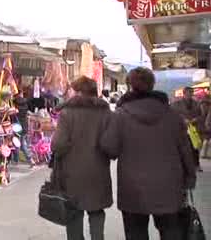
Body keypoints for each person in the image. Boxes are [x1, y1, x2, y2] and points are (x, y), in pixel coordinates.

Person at [101, 67, 196, 240]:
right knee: (170, 232)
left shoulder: (120, 116)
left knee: (136, 233)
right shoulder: (172, 115)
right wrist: (190, 177)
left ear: (130, 86)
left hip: (133, 188)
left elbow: (110, 149)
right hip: (169, 185)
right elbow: (186, 150)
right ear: (152, 85)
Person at [51, 76, 112, 240]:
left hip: (72, 172)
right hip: (98, 171)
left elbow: (58, 145)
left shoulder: (67, 113)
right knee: (97, 211)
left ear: (78, 92)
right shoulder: (105, 113)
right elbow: (111, 145)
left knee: (74, 212)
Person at [171, 87, 202, 172]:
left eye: (191, 93)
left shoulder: (196, 104)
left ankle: (197, 165)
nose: (190, 95)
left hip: (193, 129)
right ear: (184, 94)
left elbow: (201, 115)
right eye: (188, 93)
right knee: (183, 147)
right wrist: (183, 119)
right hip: (182, 129)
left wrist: (196, 119)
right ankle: (183, 165)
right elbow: (173, 115)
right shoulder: (176, 104)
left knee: (195, 147)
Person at [14, 90, 35, 167]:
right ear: (21, 94)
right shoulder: (25, 103)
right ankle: (30, 160)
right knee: (22, 144)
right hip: (24, 126)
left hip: (17, 126)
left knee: (16, 144)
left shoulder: (14, 103)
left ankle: (15, 161)